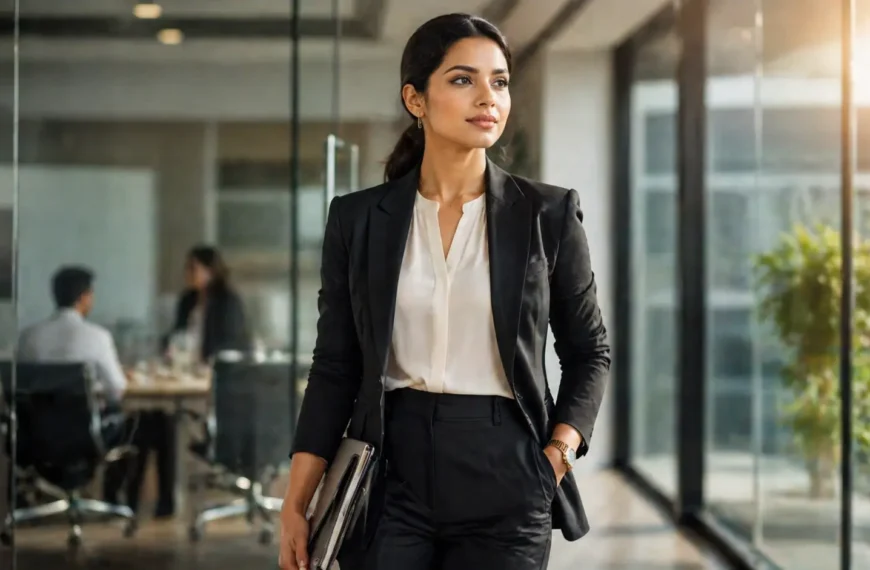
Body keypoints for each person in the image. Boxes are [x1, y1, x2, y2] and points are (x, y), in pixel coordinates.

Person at [280, 13, 610, 570]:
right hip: (390, 468)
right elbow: (335, 364)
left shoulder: (548, 215)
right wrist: (296, 500)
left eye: (499, 81)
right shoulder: (359, 220)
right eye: (463, 80)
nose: (488, 97)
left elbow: (589, 351)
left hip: (508, 468)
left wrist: (556, 455)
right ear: (416, 99)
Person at [124, 245, 250, 519]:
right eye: (188, 268)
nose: (188, 274)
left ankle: (150, 498)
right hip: (184, 376)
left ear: (211, 270)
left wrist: (204, 361)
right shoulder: (187, 300)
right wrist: (169, 349)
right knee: (155, 417)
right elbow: (175, 337)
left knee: (163, 419)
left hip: (218, 387)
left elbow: (233, 347)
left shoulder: (228, 301)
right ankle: (156, 498)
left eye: (194, 268)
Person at [16, 266, 130, 502]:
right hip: (85, 437)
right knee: (133, 420)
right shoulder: (97, 337)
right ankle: (112, 499)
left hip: (36, 435)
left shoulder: (30, 337)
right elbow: (117, 389)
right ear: (85, 297)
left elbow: (19, 389)